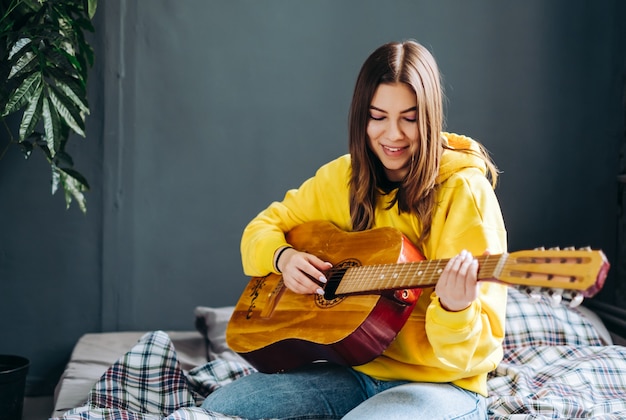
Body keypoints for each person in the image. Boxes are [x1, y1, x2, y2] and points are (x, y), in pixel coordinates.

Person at [201, 39, 507, 420]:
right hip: (353, 370)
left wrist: (455, 308)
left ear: (429, 116)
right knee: (221, 409)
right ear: (360, 117)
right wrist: (284, 257)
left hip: (442, 386)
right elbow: (260, 228)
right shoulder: (343, 178)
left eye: (409, 118)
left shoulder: (464, 193)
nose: (392, 134)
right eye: (377, 116)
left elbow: (477, 352)